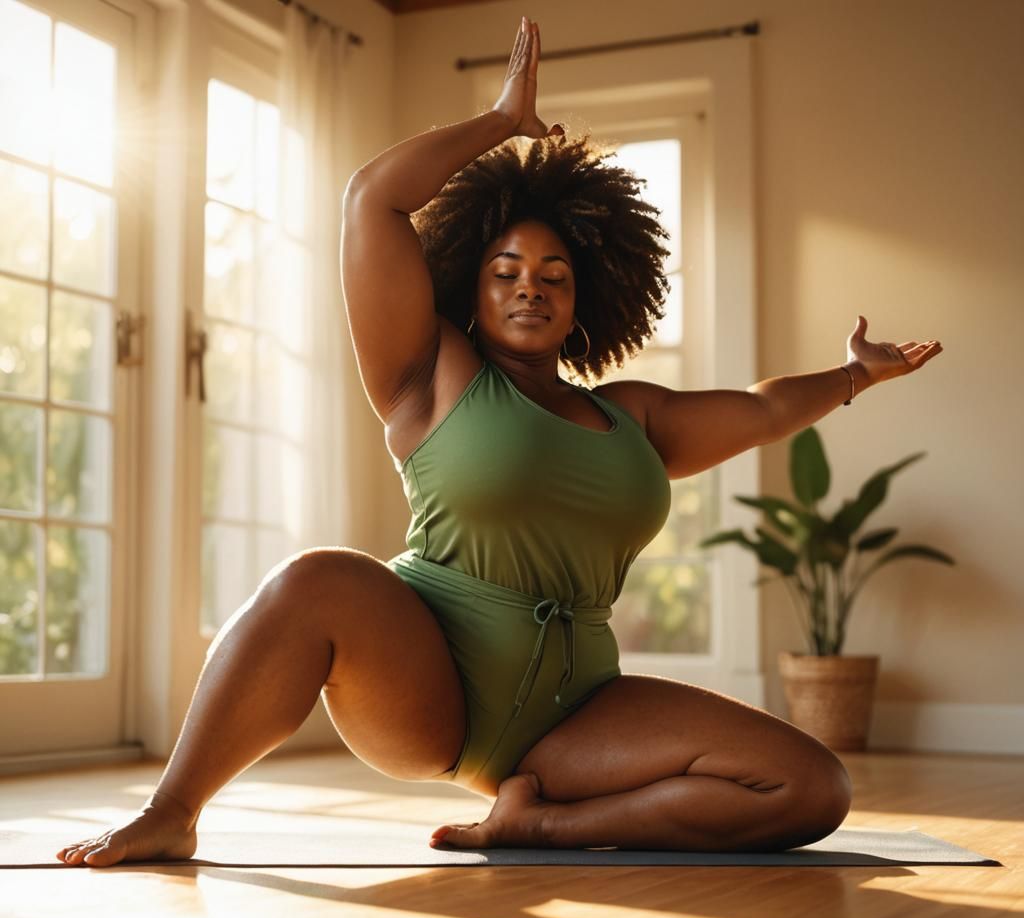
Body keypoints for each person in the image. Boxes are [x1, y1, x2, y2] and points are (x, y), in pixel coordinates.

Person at [57, 17, 942, 867]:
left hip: (582, 714)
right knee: (312, 581)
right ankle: (171, 812)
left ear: (584, 297)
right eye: (506, 272)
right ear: (470, 287)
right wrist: (500, 124)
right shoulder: (429, 375)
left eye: (554, 275)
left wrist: (854, 375)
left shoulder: (634, 418)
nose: (531, 288)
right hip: (430, 679)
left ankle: (539, 826)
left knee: (810, 784)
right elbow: (372, 199)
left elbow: (761, 409)